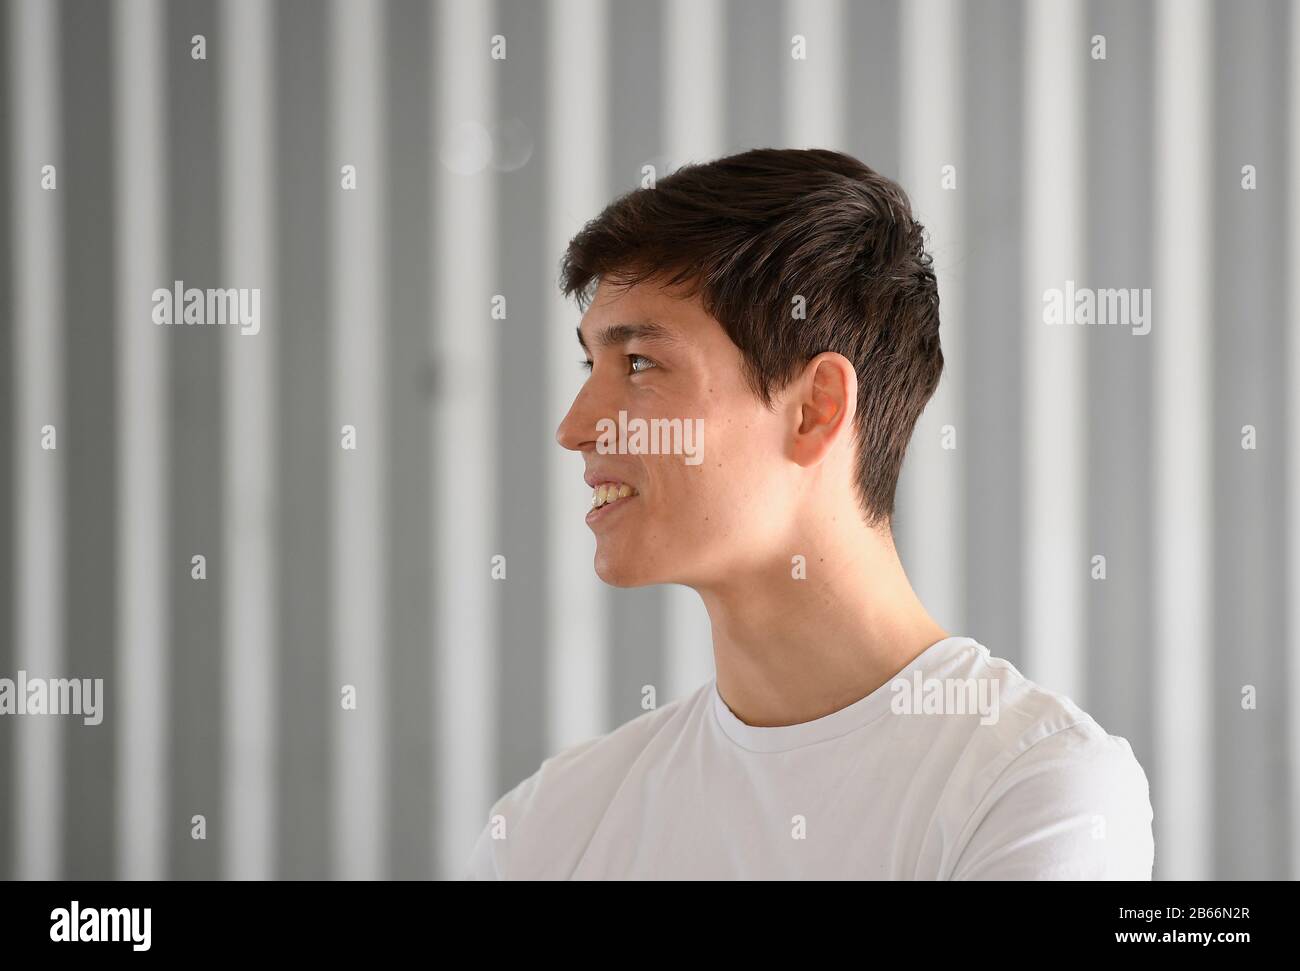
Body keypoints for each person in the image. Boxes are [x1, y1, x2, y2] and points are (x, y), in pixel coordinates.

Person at [466, 148, 1154, 879]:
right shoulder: (549, 825)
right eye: (589, 366)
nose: (576, 426)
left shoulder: (1034, 792)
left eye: (639, 363)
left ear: (816, 408)